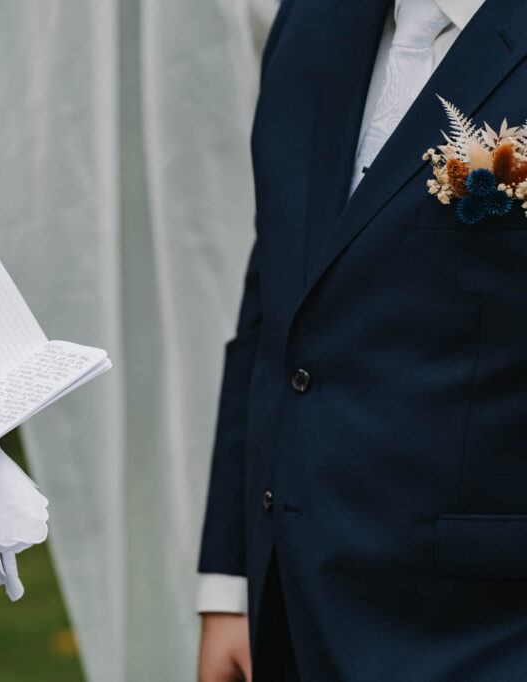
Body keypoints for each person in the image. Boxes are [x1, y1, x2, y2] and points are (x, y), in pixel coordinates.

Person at [197, 0, 527, 680]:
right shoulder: (313, 18)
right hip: (284, 609)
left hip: (484, 626)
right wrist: (230, 584)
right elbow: (279, 304)